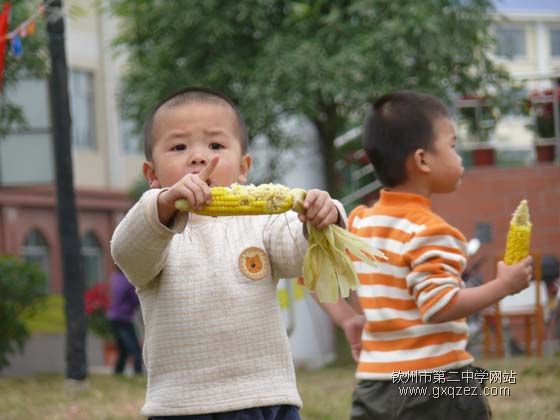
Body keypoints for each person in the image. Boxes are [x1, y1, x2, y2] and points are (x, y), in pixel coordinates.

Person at [110, 86, 349, 419]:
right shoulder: (155, 227)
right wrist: (164, 204)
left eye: (216, 145)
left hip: (267, 397)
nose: (198, 157)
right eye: (179, 147)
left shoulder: (262, 220)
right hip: (184, 406)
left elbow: (295, 253)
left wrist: (321, 219)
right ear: (152, 174)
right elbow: (128, 252)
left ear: (243, 167)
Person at [341, 91, 533, 420]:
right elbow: (439, 306)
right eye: (453, 146)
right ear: (423, 160)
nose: (459, 158)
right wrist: (504, 286)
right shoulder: (433, 232)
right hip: (435, 385)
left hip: (373, 385)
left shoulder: (359, 221)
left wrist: (348, 319)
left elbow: (313, 273)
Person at [106, 266, 143, 375]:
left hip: (112, 317)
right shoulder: (127, 281)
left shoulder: (114, 278)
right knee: (135, 349)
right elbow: (135, 299)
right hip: (123, 319)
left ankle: (118, 372)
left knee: (123, 349)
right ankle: (138, 373)